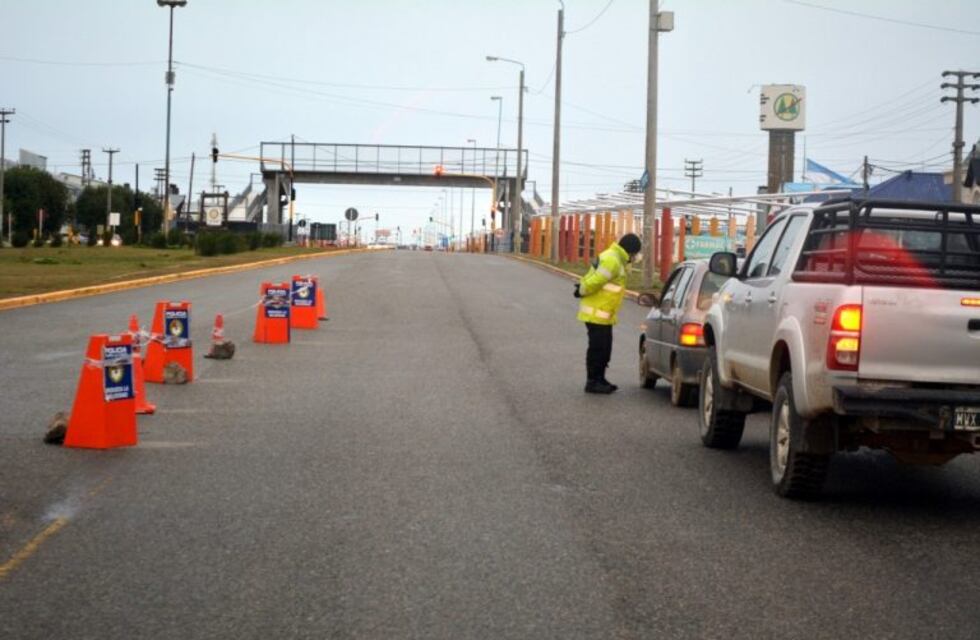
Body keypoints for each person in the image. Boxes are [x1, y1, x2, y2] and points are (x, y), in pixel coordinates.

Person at [574, 233, 642, 394]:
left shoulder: (617, 258)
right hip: (596, 312)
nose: (635, 257)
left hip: (604, 313)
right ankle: (592, 382)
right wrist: (581, 290)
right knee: (598, 349)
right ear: (630, 251)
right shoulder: (613, 260)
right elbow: (596, 280)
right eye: (635, 253)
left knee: (605, 349)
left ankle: (600, 378)